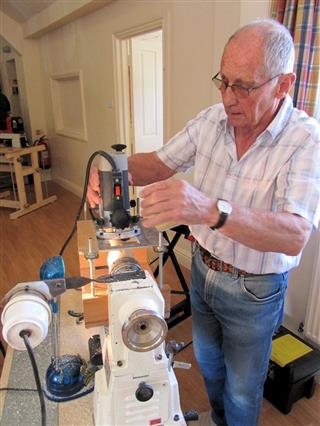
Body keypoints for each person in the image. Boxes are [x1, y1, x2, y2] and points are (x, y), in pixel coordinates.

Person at [87, 19, 320, 426]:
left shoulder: (306, 140)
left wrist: (211, 210)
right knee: (210, 366)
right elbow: (159, 164)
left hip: (255, 289)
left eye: (244, 86)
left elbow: (294, 234)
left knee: (243, 388)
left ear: (283, 85)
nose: (229, 97)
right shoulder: (211, 120)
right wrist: (112, 167)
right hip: (203, 269)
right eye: (223, 81)